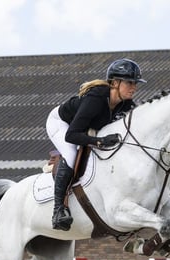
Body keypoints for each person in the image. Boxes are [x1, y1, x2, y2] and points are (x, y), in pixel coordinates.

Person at [45, 58, 146, 230]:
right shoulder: (96, 98)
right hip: (62, 124)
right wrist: (99, 141)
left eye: (135, 83)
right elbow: (71, 135)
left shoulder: (126, 104)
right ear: (115, 83)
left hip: (83, 128)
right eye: (129, 82)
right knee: (71, 154)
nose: (134, 87)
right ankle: (58, 210)